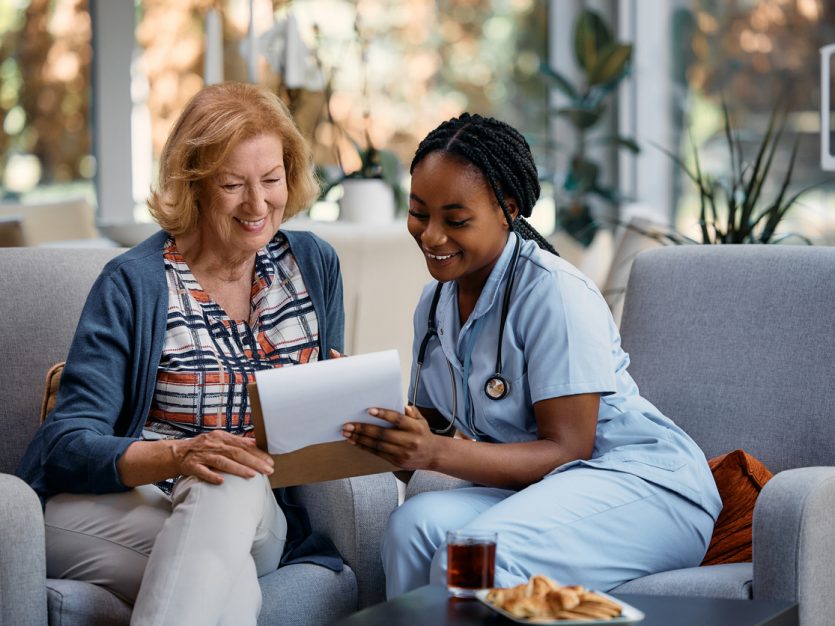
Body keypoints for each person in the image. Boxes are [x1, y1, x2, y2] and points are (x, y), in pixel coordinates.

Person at [341, 113, 722, 598]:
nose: (431, 235)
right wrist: (378, 428)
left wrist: (433, 450)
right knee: (411, 527)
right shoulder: (434, 305)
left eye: (455, 220)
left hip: (645, 490)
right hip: (546, 493)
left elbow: (568, 449)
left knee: (476, 556)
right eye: (419, 213)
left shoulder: (554, 292)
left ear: (508, 209)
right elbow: (432, 434)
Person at [17, 81, 345, 625]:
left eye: (271, 179)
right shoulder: (133, 283)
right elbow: (66, 445)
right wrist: (181, 454)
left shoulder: (312, 266)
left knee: (232, 478)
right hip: (122, 507)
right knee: (224, 573)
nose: (258, 204)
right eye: (233, 184)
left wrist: (359, 413)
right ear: (193, 184)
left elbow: (320, 419)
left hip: (258, 514)